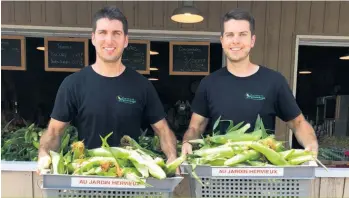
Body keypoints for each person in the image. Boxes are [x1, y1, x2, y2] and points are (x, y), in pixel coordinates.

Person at [37, 6, 178, 172]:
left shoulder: (142, 85)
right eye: (103, 32)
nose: (109, 40)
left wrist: (172, 157)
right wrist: (43, 152)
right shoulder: (73, 84)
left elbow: (162, 130)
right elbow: (54, 131)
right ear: (93, 38)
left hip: (130, 179)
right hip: (88, 175)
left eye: (116, 33)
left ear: (126, 40)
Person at [181, 8, 318, 156]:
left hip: (263, 174)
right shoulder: (209, 83)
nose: (235, 40)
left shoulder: (274, 81)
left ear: (252, 40)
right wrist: (187, 142)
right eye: (230, 35)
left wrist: (311, 143)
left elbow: (298, 123)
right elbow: (196, 127)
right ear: (222, 41)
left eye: (242, 34)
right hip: (219, 171)